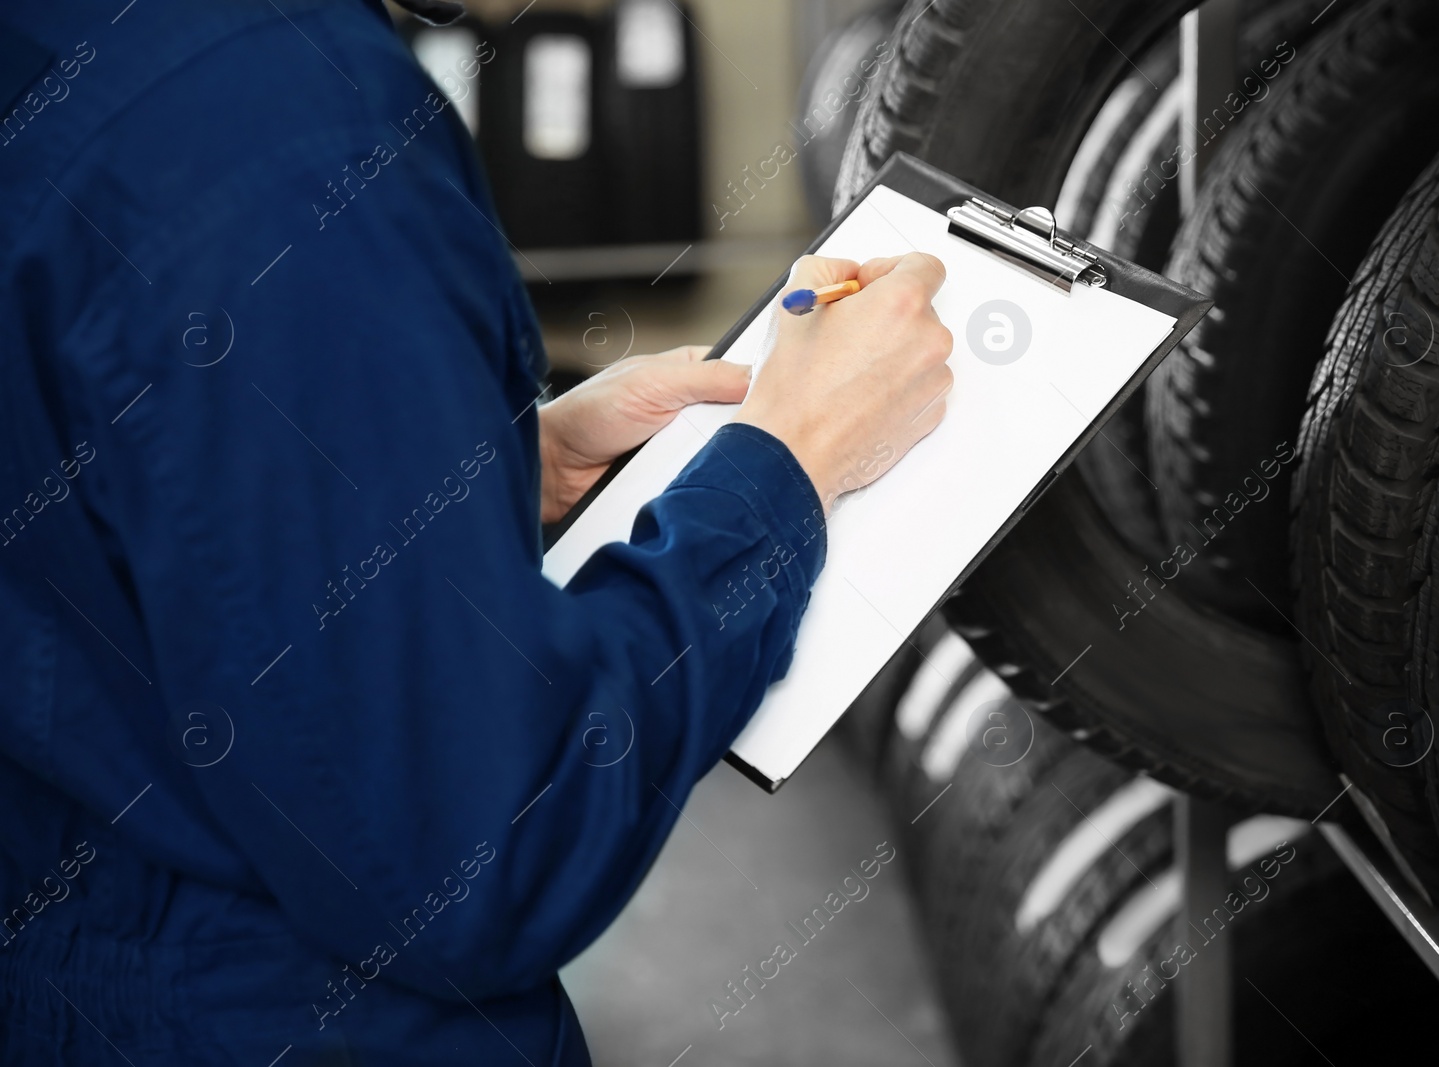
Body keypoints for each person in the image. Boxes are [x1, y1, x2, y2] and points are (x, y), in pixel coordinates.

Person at [0, 1, 952, 1063]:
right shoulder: (280, 138)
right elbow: (477, 848)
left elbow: (104, 501)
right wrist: (791, 467)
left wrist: (471, 463)